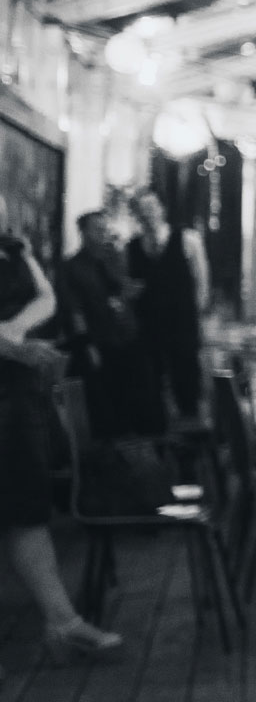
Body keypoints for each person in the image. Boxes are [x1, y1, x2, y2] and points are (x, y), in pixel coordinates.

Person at [2, 195, 123, 662]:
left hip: (16, 396)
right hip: (11, 383)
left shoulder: (15, 249)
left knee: (25, 510)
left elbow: (47, 298)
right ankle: (62, 620)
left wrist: (12, 331)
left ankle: (61, 620)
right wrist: (15, 347)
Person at [61, 210, 165, 438]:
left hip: (128, 342)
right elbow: (75, 312)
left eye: (105, 229)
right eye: (97, 229)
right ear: (84, 233)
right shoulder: (73, 267)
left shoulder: (113, 260)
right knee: (107, 413)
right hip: (100, 346)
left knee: (141, 404)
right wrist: (87, 346)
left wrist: (126, 282)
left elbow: (122, 293)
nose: (103, 234)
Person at [126, 190, 208, 419]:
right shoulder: (132, 246)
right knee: (151, 382)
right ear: (136, 215)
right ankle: (159, 434)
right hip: (149, 324)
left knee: (186, 379)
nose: (147, 213)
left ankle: (191, 435)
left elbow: (201, 282)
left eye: (151, 207)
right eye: (141, 209)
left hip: (182, 322)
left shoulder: (187, 239)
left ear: (162, 209)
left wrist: (196, 318)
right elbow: (132, 283)